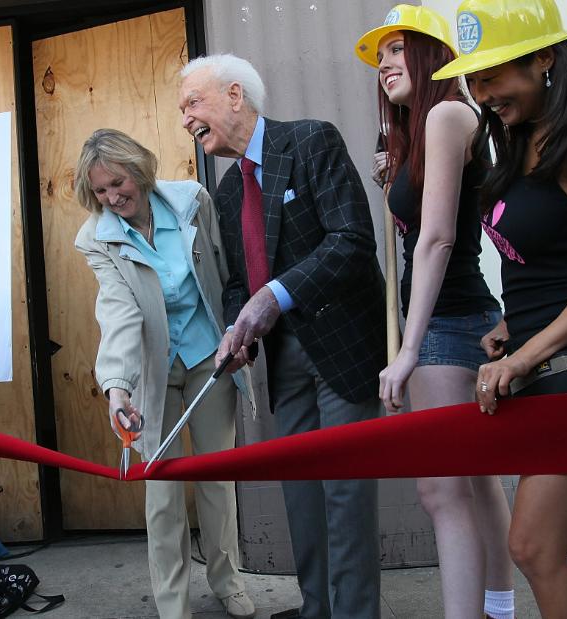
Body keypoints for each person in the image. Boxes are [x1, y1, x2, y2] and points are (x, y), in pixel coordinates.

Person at [433, 0, 567, 615]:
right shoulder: (520, 139)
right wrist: (512, 328)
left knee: (531, 547)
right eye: (474, 79)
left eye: (495, 74)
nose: (483, 92)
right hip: (542, 367)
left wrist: (527, 351)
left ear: (546, 57)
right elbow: (555, 264)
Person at [179, 53, 385, 618]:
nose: (186, 120)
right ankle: (317, 608)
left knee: (345, 494)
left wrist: (274, 295)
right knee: (301, 493)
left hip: (343, 350)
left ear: (235, 96)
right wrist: (233, 326)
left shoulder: (312, 141)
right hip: (284, 361)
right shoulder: (225, 191)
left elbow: (351, 241)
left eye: (193, 103)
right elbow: (237, 285)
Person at [355, 6, 516, 619]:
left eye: (399, 50)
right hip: (459, 320)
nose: (386, 64)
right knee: (474, 482)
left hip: (449, 325)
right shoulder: (426, 128)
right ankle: (498, 610)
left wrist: (408, 350)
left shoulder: (449, 113)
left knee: (442, 488)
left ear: (432, 57)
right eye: (381, 55)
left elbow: (438, 239)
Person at [72, 129, 255, 619]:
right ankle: (172, 603)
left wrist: (239, 333)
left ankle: (228, 581)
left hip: (206, 358)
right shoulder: (98, 237)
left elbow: (225, 270)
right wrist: (117, 388)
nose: (113, 197)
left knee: (217, 477)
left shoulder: (191, 203)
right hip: (152, 369)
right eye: (101, 191)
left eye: (118, 182)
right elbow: (118, 313)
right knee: (163, 489)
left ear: (139, 167)